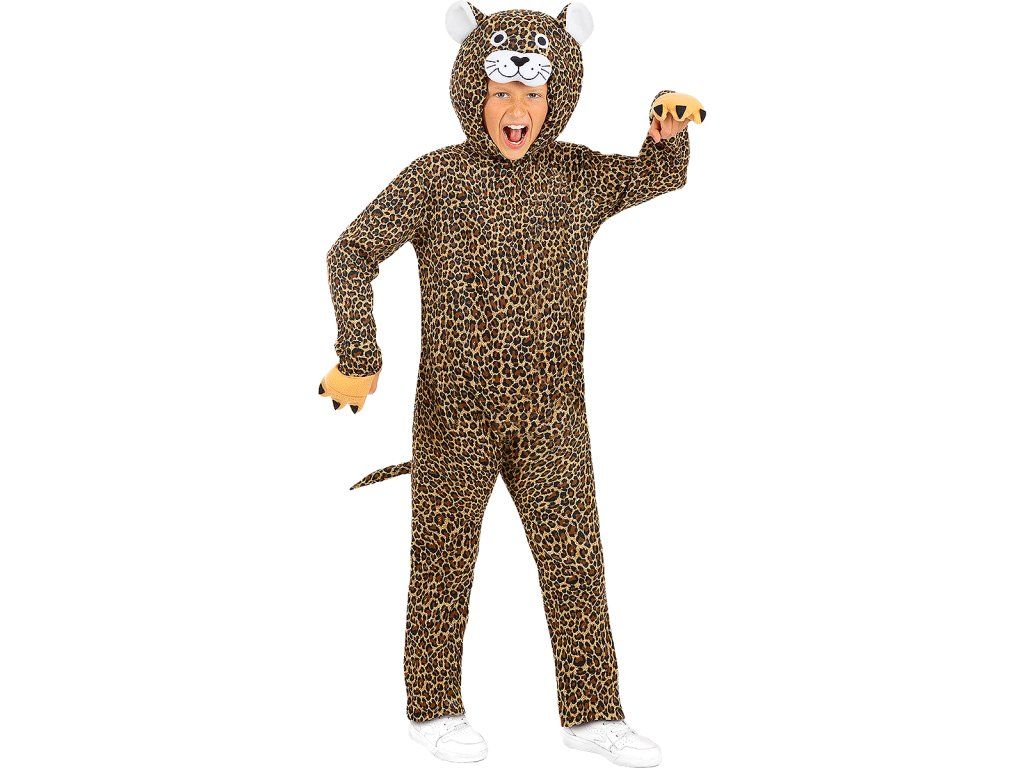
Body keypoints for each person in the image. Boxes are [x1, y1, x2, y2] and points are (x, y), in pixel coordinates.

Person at [319, 3, 702, 765]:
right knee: (442, 563)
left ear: (558, 97)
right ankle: (433, 711)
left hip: (553, 414)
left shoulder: (579, 176)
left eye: (532, 93)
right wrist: (359, 354)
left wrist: (666, 134)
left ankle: (593, 717)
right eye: (501, 92)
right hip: (452, 414)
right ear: (475, 93)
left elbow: (660, 177)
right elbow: (351, 253)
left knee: (575, 563)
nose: (517, 108)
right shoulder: (437, 177)